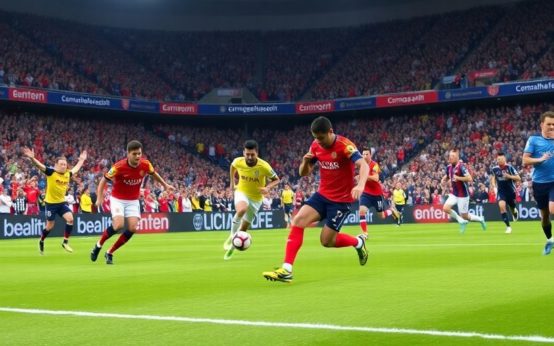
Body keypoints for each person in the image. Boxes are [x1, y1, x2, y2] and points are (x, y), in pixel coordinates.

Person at [263, 116, 369, 283]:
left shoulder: (344, 146)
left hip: (341, 201)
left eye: (321, 138)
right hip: (322, 195)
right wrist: (305, 162)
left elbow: (364, 164)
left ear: (330, 132)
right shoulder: (315, 146)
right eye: (315, 138)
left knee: (326, 241)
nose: (318, 142)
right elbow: (303, 173)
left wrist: (361, 185)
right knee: (297, 220)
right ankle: (287, 269)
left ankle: (357, 242)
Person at [90, 140, 174, 264]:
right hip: (118, 199)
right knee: (118, 224)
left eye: (139, 153)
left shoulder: (146, 164)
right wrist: (99, 198)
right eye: (134, 154)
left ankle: (110, 252)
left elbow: (153, 174)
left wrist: (165, 185)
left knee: (133, 228)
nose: (137, 156)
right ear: (128, 154)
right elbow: (103, 180)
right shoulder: (118, 167)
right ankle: (98, 245)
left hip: (133, 200)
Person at [22, 147, 87, 254]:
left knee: (70, 219)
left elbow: (76, 168)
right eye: (61, 164)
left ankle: (65, 242)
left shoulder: (67, 174)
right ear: (56, 165)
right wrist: (32, 158)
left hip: (61, 203)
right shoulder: (51, 172)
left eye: (65, 164)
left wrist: (82, 160)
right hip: (51, 204)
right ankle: (41, 240)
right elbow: (40, 166)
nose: (63, 166)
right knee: (49, 226)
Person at [223, 140, 280, 260]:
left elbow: (277, 179)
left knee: (243, 229)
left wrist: (268, 187)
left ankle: (232, 248)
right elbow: (233, 167)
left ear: (257, 153)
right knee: (241, 210)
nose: (249, 157)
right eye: (247, 154)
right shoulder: (238, 161)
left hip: (256, 199)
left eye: (252, 154)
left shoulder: (264, 166)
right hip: (241, 192)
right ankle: (233, 236)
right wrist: (232, 182)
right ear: (244, 152)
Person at [522, 111, 554, 255]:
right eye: (549, 124)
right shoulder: (533, 140)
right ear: (542, 124)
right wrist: (540, 159)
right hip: (539, 183)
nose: (552, 127)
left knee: (552, 208)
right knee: (545, 216)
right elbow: (525, 160)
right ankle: (550, 240)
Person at [441, 149, 486, 233]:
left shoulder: (461, 166)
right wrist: (443, 180)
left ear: (457, 157)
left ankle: (480, 219)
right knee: (445, 208)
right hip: (454, 194)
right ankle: (461, 221)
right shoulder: (449, 167)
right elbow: (448, 175)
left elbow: (470, 178)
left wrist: (458, 178)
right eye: (450, 156)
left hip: (463, 195)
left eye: (453, 156)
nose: (450, 158)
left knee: (465, 216)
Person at [358, 148, 399, 237]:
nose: (364, 156)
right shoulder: (361, 165)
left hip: (376, 194)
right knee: (361, 211)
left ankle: (391, 211)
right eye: (363, 154)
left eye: (366, 154)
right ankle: (365, 233)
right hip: (365, 193)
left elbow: (376, 178)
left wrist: (364, 176)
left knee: (382, 216)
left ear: (370, 155)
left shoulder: (374, 165)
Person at [490, 152, 521, 234]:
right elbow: (493, 178)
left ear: (505, 159)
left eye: (501, 159)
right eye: (498, 159)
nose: (499, 160)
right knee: (502, 207)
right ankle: (508, 227)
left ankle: (514, 212)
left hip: (511, 191)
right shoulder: (494, 169)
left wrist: (509, 176)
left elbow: (518, 178)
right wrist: (493, 186)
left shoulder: (510, 167)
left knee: (512, 207)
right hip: (501, 191)